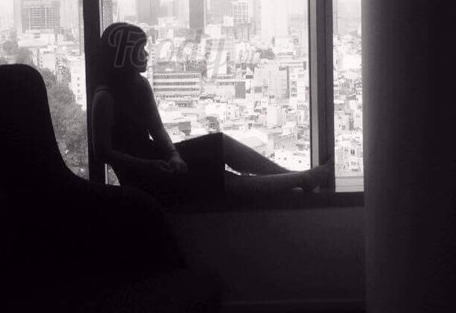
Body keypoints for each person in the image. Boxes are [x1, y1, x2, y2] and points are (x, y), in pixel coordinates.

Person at [90, 23, 332, 204]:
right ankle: (300, 179)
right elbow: (103, 153)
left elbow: (158, 129)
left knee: (220, 143)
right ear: (123, 55)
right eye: (140, 50)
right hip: (143, 179)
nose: (145, 55)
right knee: (225, 182)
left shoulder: (140, 85)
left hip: (159, 162)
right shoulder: (105, 98)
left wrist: (173, 155)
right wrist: (150, 166)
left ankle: (296, 177)